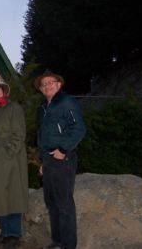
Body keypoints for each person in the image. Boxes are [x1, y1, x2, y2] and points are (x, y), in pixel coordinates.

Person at [34, 71, 86, 249]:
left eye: (51, 82)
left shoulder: (67, 102)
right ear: (41, 89)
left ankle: (68, 245)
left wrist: (63, 150)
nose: (47, 85)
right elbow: (41, 137)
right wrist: (42, 162)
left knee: (64, 204)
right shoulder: (42, 109)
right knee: (52, 203)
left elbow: (78, 128)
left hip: (62, 159)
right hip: (47, 161)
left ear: (59, 84)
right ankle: (57, 241)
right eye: (44, 84)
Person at [0, 80, 29, 249]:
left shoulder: (13, 108)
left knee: (13, 194)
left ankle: (14, 235)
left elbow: (19, 133)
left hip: (11, 159)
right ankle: (5, 232)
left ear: (4, 92)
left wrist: (10, 152)